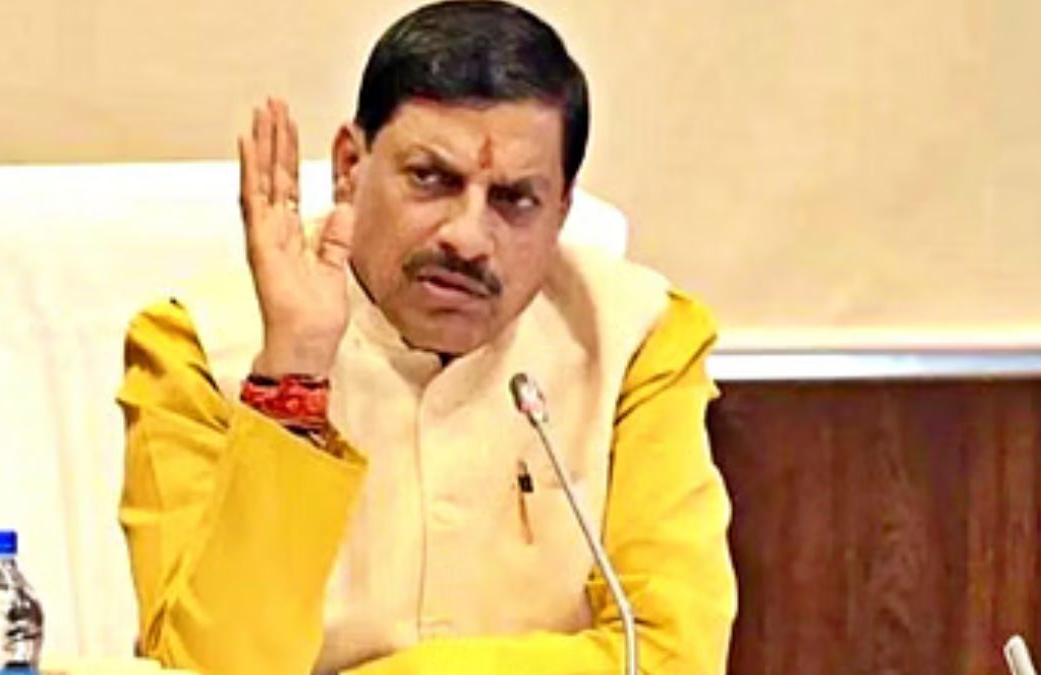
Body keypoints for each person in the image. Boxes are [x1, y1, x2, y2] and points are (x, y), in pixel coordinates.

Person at [117, 1, 737, 674]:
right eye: (431, 179)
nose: (467, 238)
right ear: (350, 165)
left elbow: (670, 655)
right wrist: (292, 375)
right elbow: (204, 669)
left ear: (561, 208)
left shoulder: (637, 342)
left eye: (514, 199)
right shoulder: (197, 349)